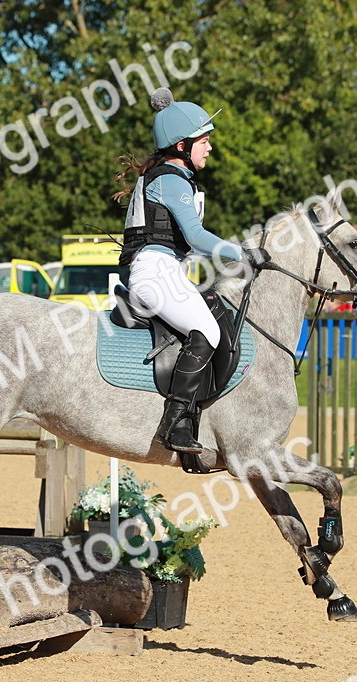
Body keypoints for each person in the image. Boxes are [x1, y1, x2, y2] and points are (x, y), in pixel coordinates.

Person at [114, 88, 268, 454]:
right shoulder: (170, 180)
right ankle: (174, 424)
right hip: (154, 272)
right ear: (182, 144)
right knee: (207, 331)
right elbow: (197, 237)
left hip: (166, 270)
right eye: (205, 140)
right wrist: (243, 252)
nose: (210, 147)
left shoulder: (172, 178)